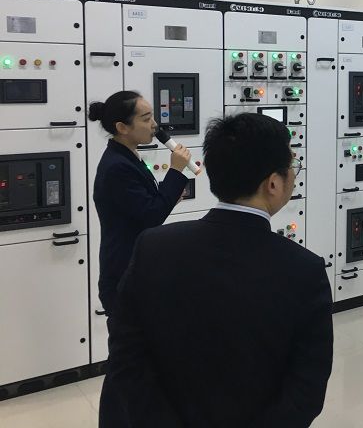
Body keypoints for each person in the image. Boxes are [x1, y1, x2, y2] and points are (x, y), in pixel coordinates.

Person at [100, 113, 333, 427]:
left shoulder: (152, 248)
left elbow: (126, 357)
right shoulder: (304, 271)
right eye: (292, 166)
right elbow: (306, 387)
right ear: (274, 183)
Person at [89, 91, 192, 316]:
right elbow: (152, 215)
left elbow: (144, 206)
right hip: (123, 274)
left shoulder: (128, 156)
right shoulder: (117, 167)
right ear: (122, 127)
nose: (154, 124)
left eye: (152, 116)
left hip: (139, 268)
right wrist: (175, 170)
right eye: (146, 119)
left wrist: (169, 196)